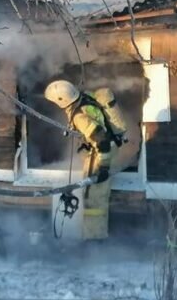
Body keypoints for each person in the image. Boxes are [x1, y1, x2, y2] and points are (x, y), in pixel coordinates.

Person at [44, 80, 127, 240]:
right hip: (103, 148)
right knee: (92, 194)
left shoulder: (79, 117)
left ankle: (94, 240)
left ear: (62, 100)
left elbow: (101, 139)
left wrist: (102, 168)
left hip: (103, 153)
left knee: (93, 197)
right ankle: (93, 236)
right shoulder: (83, 97)